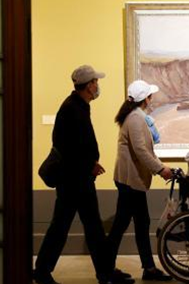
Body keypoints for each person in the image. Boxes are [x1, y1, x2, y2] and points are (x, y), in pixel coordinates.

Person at [33, 65, 133, 284]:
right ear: (89, 85)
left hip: (76, 178)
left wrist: (90, 164)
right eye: (96, 82)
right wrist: (89, 165)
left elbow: (76, 144)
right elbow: (68, 147)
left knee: (79, 226)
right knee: (76, 226)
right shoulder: (72, 108)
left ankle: (103, 272)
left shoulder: (78, 106)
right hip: (74, 179)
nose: (98, 86)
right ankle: (101, 273)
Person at [106, 80, 174, 281]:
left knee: (138, 223)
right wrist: (160, 169)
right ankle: (108, 269)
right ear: (146, 99)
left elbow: (144, 150)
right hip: (130, 180)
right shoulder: (136, 118)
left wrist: (160, 166)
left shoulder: (134, 115)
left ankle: (147, 268)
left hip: (129, 180)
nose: (152, 98)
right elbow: (141, 150)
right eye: (150, 95)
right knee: (124, 224)